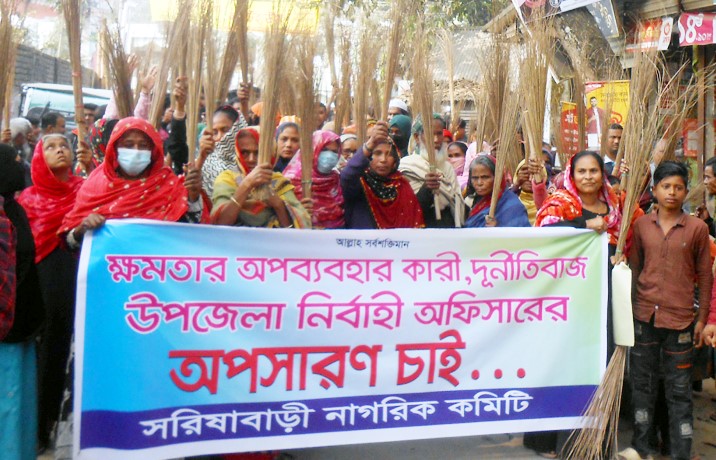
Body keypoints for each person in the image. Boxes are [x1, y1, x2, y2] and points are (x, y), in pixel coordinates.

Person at [531, 150, 641, 458]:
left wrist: (620, 253)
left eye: (594, 170)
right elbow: (543, 234)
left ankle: (597, 442)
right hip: (569, 295)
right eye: (582, 171)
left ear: (602, 174)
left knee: (601, 360)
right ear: (572, 174)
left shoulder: (616, 205)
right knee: (567, 361)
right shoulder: (561, 204)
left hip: (605, 292)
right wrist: (582, 223)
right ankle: (558, 440)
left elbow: (628, 236)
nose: (588, 177)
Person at [619, 161, 713, 460]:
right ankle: (641, 446)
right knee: (642, 387)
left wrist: (702, 321)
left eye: (679, 187)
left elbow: (705, 276)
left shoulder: (697, 228)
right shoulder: (642, 225)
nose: (672, 192)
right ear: (655, 189)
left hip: (681, 320)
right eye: (666, 186)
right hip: (645, 317)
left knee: (679, 391)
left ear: (686, 191)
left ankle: (681, 451)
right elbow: (635, 269)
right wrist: (628, 315)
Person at [17, 135, 86, 449]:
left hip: (82, 287)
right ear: (38, 158)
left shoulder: (86, 192)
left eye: (64, 145)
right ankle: (40, 428)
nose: (61, 149)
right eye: (50, 146)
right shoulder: (27, 201)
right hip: (43, 287)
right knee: (48, 354)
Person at [60, 117, 206, 241]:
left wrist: (192, 197)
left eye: (143, 146)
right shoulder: (95, 185)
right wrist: (81, 229)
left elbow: (190, 235)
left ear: (153, 151)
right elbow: (70, 244)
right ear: (114, 149)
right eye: (128, 145)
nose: (136, 151)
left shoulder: (169, 184)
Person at [0, 145, 44, 460]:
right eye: (13, 162)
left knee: (18, 406)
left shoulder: (15, 208)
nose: (21, 166)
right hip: (4, 331)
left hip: (22, 326)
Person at [211, 127, 310, 228]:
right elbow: (219, 223)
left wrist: (278, 205)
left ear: (270, 153)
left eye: (257, 153)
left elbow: (292, 232)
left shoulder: (279, 182)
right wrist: (247, 185)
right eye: (245, 153)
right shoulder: (227, 179)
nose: (251, 159)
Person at [340, 121, 424, 229]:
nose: (383, 160)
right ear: (368, 156)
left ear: (395, 160)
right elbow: (346, 176)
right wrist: (371, 143)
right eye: (377, 153)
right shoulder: (360, 182)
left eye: (388, 154)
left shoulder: (402, 184)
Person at [401, 115, 463, 228]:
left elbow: (457, 203)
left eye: (439, 134)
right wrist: (426, 189)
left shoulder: (447, 167)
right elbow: (406, 209)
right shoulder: (406, 167)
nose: (436, 140)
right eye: (430, 134)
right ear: (416, 137)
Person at [282, 130, 345, 229]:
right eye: (324, 149)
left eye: (334, 152)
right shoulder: (292, 180)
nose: (329, 155)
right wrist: (298, 211)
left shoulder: (336, 179)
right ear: (313, 149)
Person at [464, 155, 530, 228]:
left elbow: (519, 236)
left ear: (497, 178)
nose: (479, 183)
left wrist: (498, 228)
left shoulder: (512, 206)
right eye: (475, 178)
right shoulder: (471, 202)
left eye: (485, 177)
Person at [512, 158, 548, 225]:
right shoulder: (510, 201)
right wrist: (516, 185)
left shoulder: (550, 203)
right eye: (525, 174)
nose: (529, 178)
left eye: (534, 174)